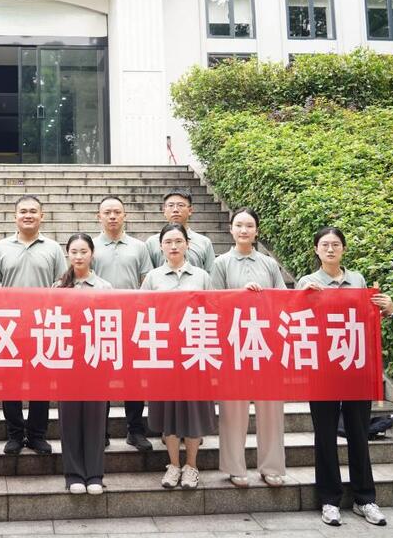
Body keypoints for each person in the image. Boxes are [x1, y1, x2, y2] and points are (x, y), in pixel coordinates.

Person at [298, 226, 393, 527]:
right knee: (325, 435)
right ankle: (329, 500)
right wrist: (303, 298)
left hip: (355, 366)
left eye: (336, 244)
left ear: (343, 249)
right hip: (322, 369)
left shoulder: (358, 281)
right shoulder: (308, 282)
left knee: (358, 433)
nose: (330, 249)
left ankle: (365, 499)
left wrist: (388, 309)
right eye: (324, 245)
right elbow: (295, 319)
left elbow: (367, 318)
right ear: (316, 250)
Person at [210, 207, 288, 488]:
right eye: (239, 225)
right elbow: (214, 302)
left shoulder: (269, 264)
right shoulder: (220, 263)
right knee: (233, 409)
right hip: (233, 344)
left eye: (249, 226)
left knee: (271, 409)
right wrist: (240, 296)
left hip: (266, 344)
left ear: (256, 231)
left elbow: (283, 300)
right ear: (231, 229)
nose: (244, 230)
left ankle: (272, 466)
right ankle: (235, 467)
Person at [0, 194, 67, 456]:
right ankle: (14, 434)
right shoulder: (1, 248)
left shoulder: (53, 248)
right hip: (9, 327)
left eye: (33, 211)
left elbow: (62, 286)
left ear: (42, 216)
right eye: (23, 211)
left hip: (43, 325)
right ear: (15, 216)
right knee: (9, 383)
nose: (28, 215)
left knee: (41, 384)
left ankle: (36, 435)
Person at [140, 223, 217, 490]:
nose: (173, 246)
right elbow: (142, 312)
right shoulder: (153, 278)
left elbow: (214, 310)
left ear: (187, 244)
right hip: (164, 353)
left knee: (194, 410)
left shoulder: (202, 276)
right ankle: (173, 465)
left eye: (178, 241)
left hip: (195, 352)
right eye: (168, 242)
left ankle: (191, 466)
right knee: (168, 411)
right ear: (160, 246)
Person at [91, 195, 154, 452]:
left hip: (131, 321)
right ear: (99, 216)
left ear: (125, 215)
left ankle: (135, 430)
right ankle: (100, 430)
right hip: (100, 321)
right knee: (100, 378)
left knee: (134, 378)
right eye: (107, 212)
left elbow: (146, 280)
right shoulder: (91, 246)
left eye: (117, 212)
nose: (112, 216)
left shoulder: (139, 247)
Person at [54, 233, 111, 495]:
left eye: (83, 251)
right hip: (67, 360)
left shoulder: (104, 287)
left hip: (96, 359)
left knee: (95, 418)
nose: (78, 256)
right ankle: (74, 474)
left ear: (92, 254)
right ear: (67, 254)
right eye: (74, 252)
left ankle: (95, 474)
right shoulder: (58, 287)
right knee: (69, 418)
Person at [144, 189, 215, 273]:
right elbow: (148, 275)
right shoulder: (152, 243)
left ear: (190, 210)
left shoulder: (204, 242)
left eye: (180, 205)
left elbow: (211, 274)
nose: (175, 210)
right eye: (171, 205)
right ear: (164, 211)